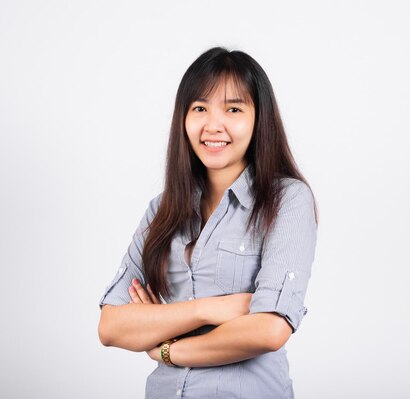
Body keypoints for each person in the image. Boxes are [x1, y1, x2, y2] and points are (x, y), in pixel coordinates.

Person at [97, 46, 318, 399]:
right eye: (200, 108)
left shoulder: (286, 200)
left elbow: (269, 330)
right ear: (183, 119)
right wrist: (210, 309)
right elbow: (111, 326)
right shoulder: (162, 211)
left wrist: (166, 348)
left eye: (233, 108)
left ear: (259, 119)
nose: (213, 125)